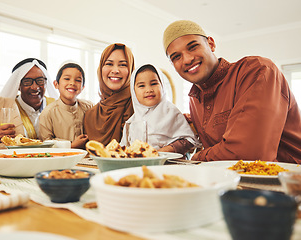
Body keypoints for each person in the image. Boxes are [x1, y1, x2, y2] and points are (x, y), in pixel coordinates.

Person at [163, 20, 301, 163]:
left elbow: (249, 154)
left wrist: (199, 156)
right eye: (176, 57)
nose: (187, 59)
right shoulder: (195, 99)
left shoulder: (258, 71)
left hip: (289, 181)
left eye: (193, 47)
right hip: (232, 182)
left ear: (211, 44)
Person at [120, 64, 199, 155]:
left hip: (168, 166)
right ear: (133, 91)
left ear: (162, 85)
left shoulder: (171, 112)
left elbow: (190, 140)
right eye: (141, 86)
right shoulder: (131, 123)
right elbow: (124, 149)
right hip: (139, 166)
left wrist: (162, 152)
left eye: (154, 84)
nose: (149, 90)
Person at [83, 43, 135, 145]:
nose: (115, 70)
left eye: (123, 65)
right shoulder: (90, 115)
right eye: (109, 64)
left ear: (131, 70)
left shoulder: (139, 108)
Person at [0, 58, 59, 139]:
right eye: (27, 81)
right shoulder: (10, 109)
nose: (35, 87)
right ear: (18, 86)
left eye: (40, 80)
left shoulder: (55, 105)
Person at [38, 62, 93, 149]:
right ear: (56, 84)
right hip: (62, 160)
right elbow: (46, 144)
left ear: (82, 87)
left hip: (88, 159)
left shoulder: (89, 107)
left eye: (78, 80)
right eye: (67, 79)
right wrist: (71, 145)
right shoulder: (48, 113)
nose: (72, 83)